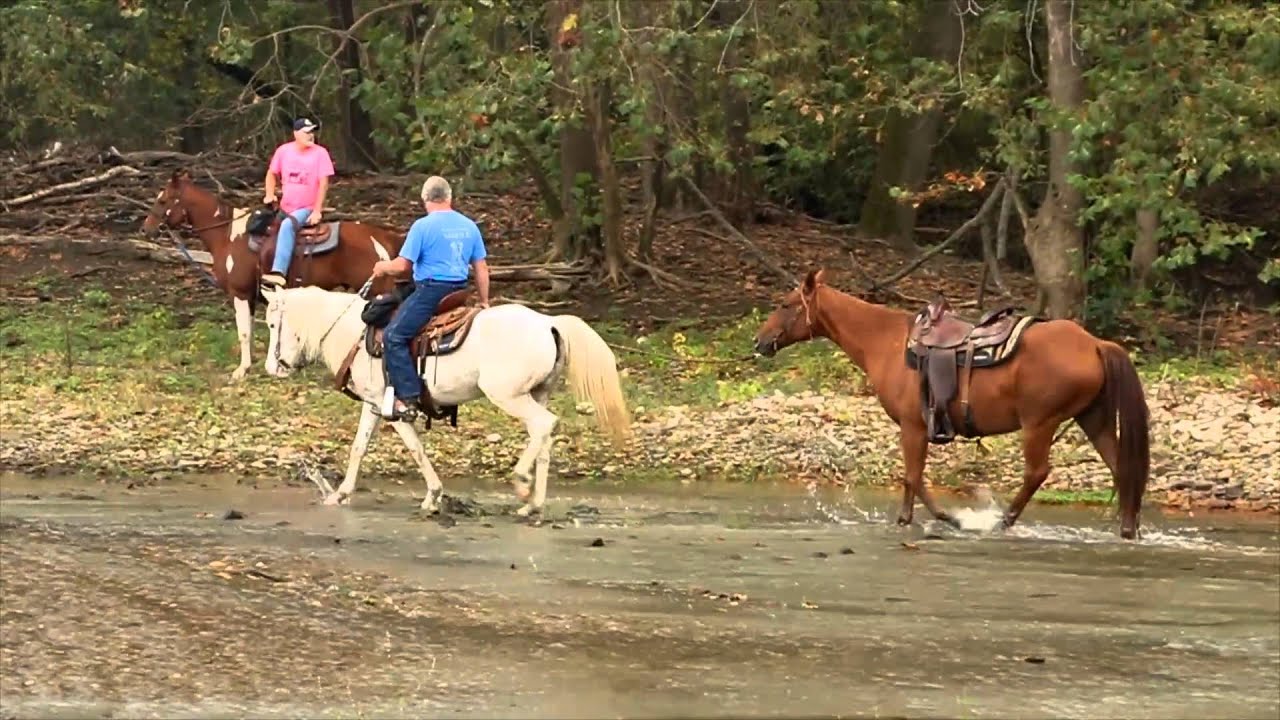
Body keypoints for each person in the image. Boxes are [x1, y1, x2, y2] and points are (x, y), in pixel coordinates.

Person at [371, 175, 491, 420]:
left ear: (425, 199)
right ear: (449, 197)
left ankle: (407, 399)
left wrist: (383, 268)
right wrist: (484, 301)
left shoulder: (422, 227)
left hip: (430, 290)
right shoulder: (469, 226)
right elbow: (481, 268)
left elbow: (403, 267)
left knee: (394, 335)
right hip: (459, 290)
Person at [260, 117, 335, 287]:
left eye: (312, 132)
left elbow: (323, 183)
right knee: (260, 225)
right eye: (307, 132)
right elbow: (271, 173)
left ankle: (279, 272)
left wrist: (317, 210)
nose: (311, 136)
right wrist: (269, 194)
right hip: (285, 206)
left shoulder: (320, 153)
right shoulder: (283, 151)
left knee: (287, 226)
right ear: (296, 134)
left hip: (305, 208)